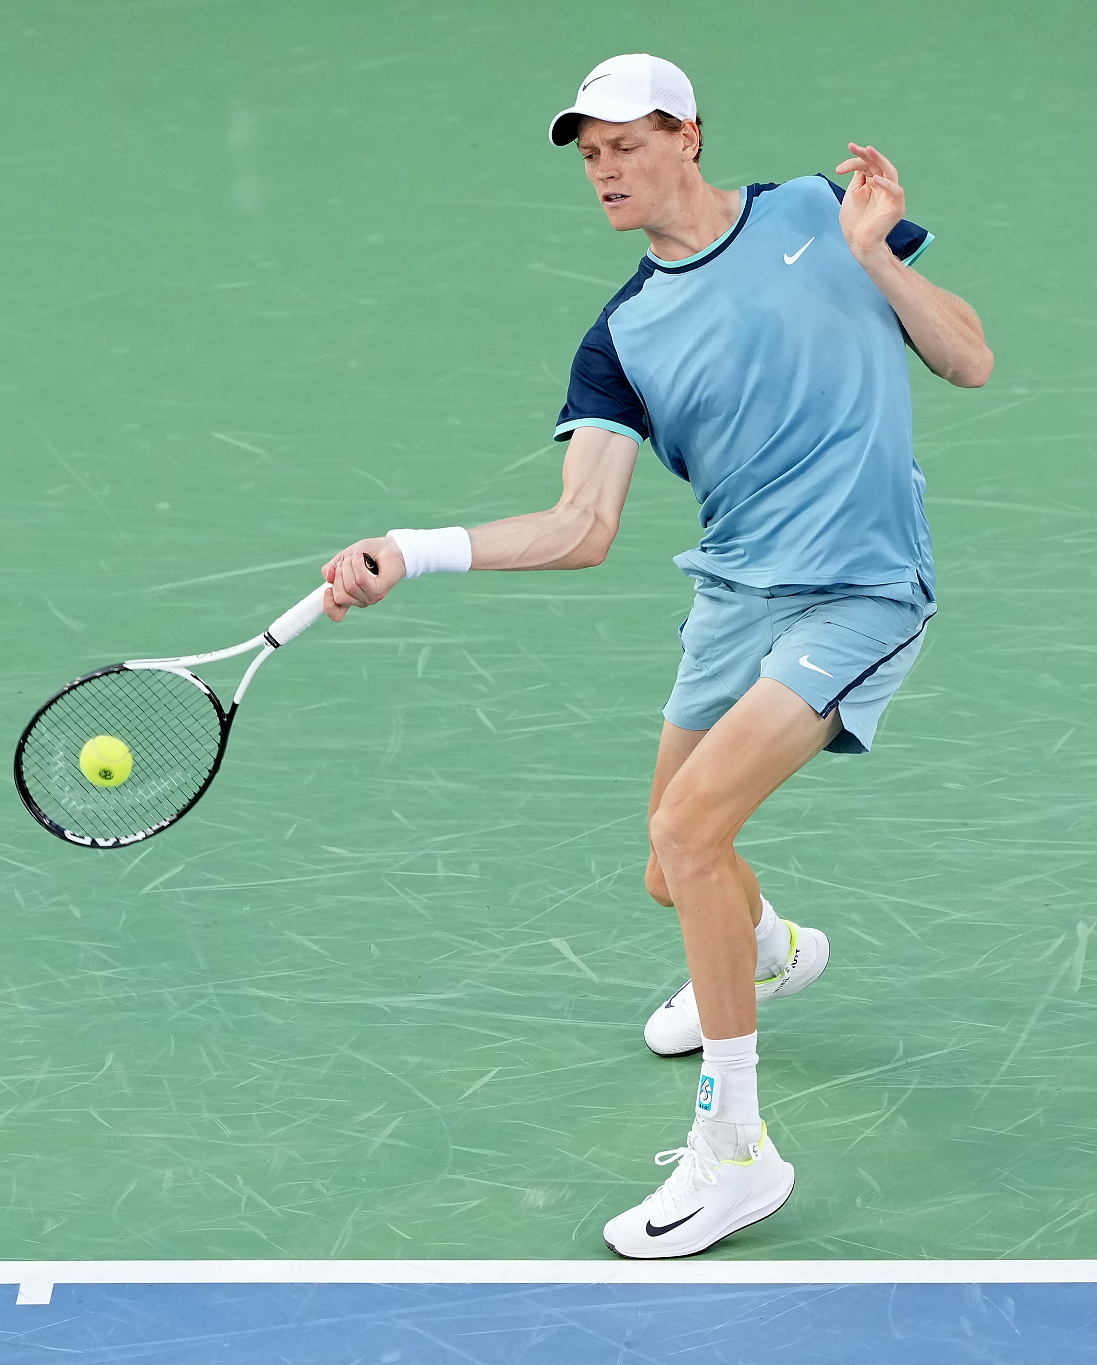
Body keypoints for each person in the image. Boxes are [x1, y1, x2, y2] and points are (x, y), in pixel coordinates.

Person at [317, 52, 992, 1258]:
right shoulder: (622, 336)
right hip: (735, 598)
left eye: (624, 145)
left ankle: (735, 1151)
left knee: (691, 832)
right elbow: (580, 528)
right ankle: (771, 952)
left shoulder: (810, 216)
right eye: (588, 155)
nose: (604, 171)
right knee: (669, 871)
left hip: (860, 587)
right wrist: (410, 550)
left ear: (686, 135)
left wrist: (874, 253)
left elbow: (967, 359)